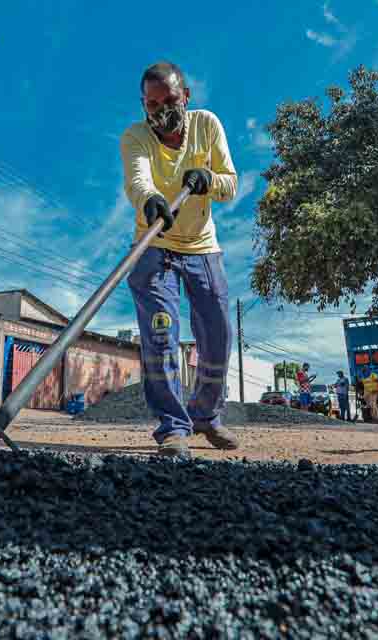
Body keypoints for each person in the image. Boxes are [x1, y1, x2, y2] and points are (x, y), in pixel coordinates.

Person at [121, 61, 240, 458]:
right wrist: (150, 199)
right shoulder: (135, 136)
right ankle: (173, 427)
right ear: (144, 104)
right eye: (152, 104)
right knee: (161, 335)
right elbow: (138, 181)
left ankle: (205, 415)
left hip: (202, 246)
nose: (161, 110)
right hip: (154, 244)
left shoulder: (207, 125)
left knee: (218, 334)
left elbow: (230, 184)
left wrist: (208, 180)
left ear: (185, 96)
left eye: (170, 100)